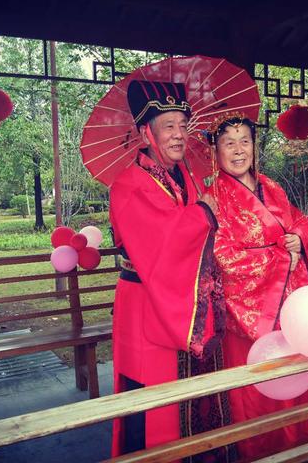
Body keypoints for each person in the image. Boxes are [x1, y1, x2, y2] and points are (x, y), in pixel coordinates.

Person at [109, 80, 234, 461]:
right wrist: (203, 212)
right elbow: (162, 241)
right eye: (169, 126)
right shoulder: (128, 185)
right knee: (151, 397)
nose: (180, 134)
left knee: (194, 394)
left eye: (183, 125)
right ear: (145, 133)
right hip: (145, 305)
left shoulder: (188, 178)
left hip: (187, 302)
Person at [205, 111, 308, 459]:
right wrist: (281, 259)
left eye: (245, 141)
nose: (239, 150)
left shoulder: (272, 187)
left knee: (295, 377)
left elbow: (302, 220)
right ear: (216, 151)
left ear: (255, 146)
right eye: (229, 143)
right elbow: (222, 255)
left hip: (290, 306)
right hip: (249, 314)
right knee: (255, 389)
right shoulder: (213, 197)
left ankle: (297, 448)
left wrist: (299, 237)